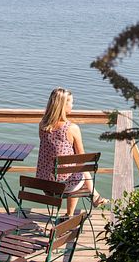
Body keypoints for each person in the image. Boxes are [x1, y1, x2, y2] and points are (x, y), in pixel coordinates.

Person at [36, 87, 107, 216]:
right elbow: (82, 158)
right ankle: (83, 205)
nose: (72, 105)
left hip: (45, 184)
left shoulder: (42, 125)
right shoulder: (72, 128)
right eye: (71, 102)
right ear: (63, 105)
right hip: (64, 186)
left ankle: (95, 196)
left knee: (73, 169)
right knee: (80, 167)